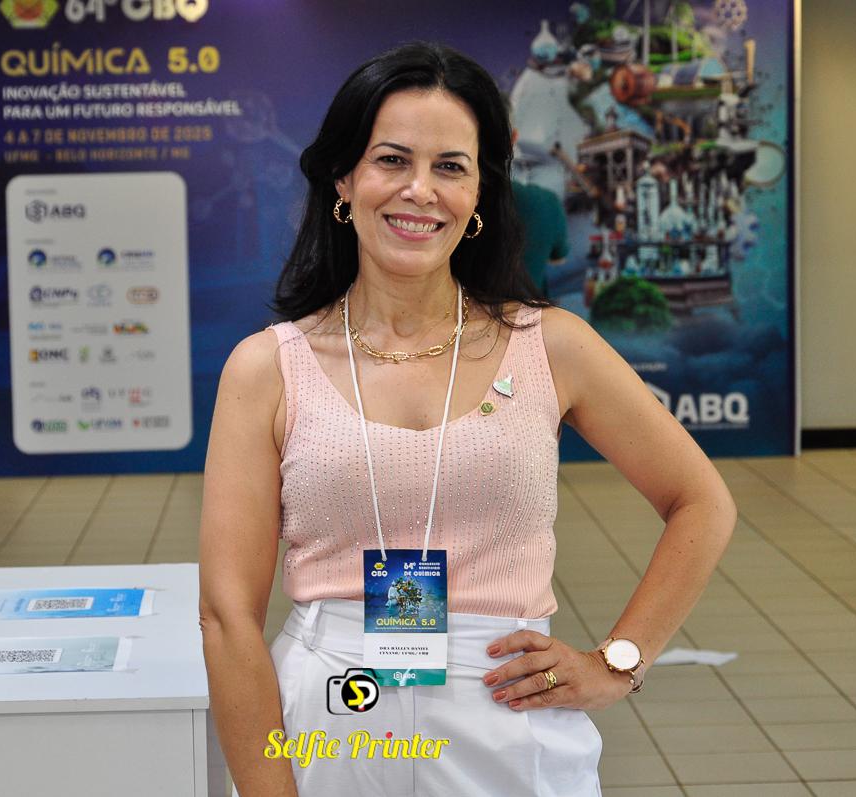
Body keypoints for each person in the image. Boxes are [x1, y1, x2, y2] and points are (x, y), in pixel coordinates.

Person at [198, 43, 734, 796]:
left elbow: (701, 500)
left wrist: (620, 661)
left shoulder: (551, 345)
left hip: (506, 718)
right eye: (392, 159)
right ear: (343, 179)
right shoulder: (268, 367)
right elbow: (227, 617)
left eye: (450, 166)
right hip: (331, 718)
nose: (419, 190)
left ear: (480, 192)